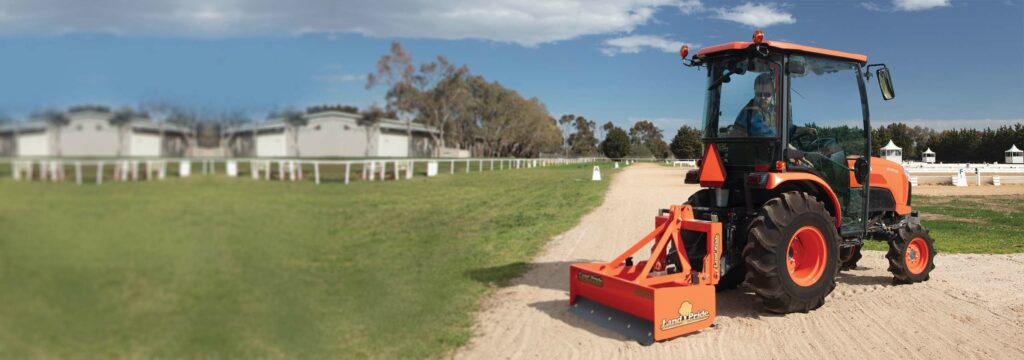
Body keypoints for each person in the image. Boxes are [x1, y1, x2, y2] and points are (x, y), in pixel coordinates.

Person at [730, 72, 778, 137]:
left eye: (767, 94)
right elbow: (763, 134)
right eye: (759, 94)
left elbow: (787, 127)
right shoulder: (749, 112)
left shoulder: (774, 110)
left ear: (772, 93)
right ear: (754, 91)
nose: (763, 97)